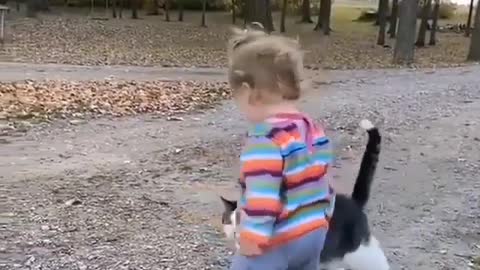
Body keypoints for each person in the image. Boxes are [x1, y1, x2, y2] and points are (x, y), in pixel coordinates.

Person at [227, 27, 335, 270]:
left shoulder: (265, 139)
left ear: (249, 93)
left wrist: (252, 237)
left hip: (278, 240)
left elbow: (262, 197)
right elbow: (323, 179)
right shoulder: (312, 128)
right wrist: (325, 214)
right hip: (313, 232)